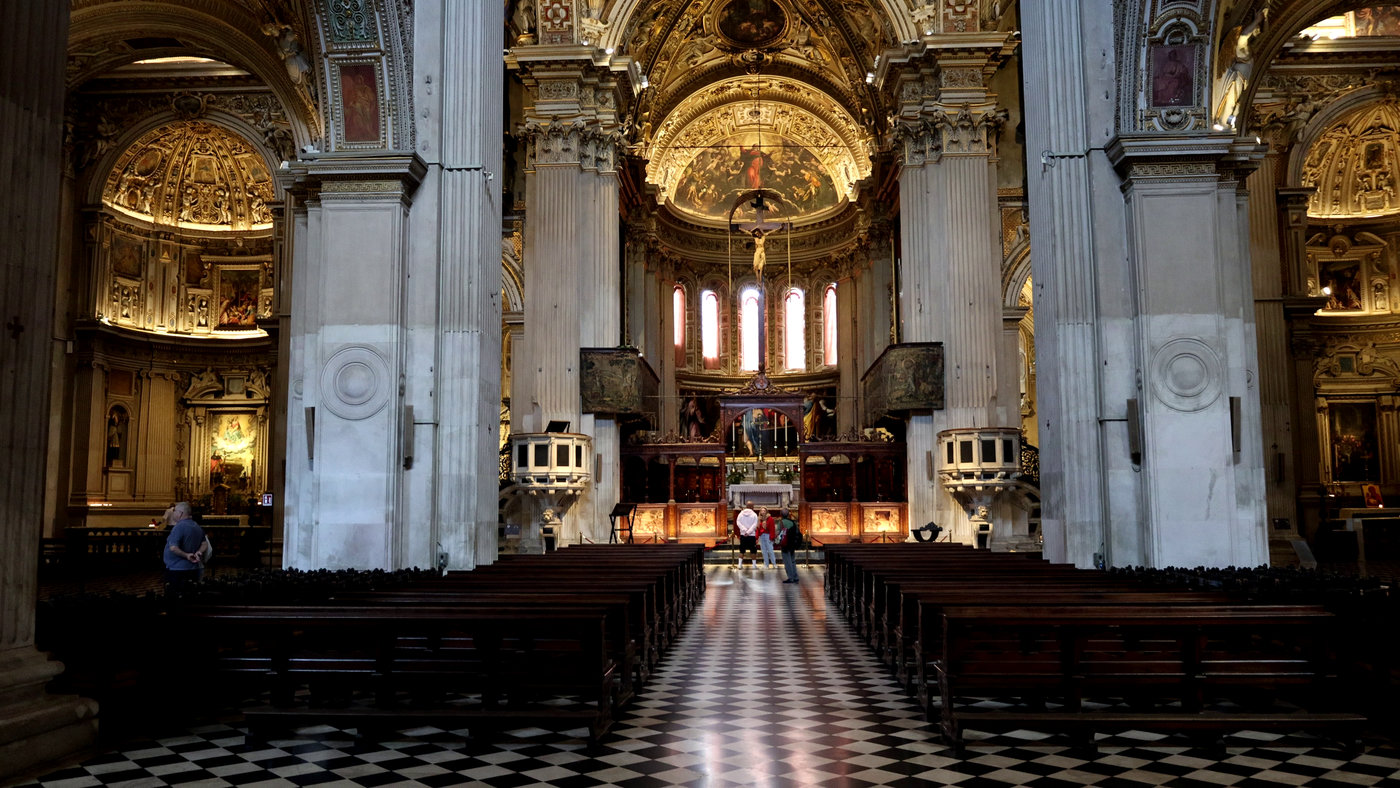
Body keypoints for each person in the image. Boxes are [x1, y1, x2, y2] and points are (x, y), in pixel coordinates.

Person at [163, 501, 205, 589]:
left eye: (174, 511)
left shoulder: (179, 527)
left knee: (175, 597)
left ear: (180, 513)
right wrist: (199, 552)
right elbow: (204, 543)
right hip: (193, 568)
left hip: (177, 569)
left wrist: (186, 555)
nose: (173, 513)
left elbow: (173, 547)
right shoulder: (196, 526)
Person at [776, 508, 801, 583]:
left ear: (781, 514)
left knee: (787, 561)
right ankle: (795, 576)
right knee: (793, 560)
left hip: (785, 544)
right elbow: (797, 532)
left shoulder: (780, 523)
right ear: (788, 514)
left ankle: (791, 577)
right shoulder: (792, 522)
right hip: (792, 544)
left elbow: (778, 533)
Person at [734, 501, 759, 569]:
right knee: (753, 551)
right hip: (751, 535)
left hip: (743, 534)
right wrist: (748, 532)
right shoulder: (754, 514)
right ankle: (754, 566)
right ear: (751, 507)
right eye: (753, 506)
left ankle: (739, 565)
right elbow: (754, 525)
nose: (753, 507)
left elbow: (738, 522)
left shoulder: (741, 514)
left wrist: (744, 530)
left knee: (742, 550)